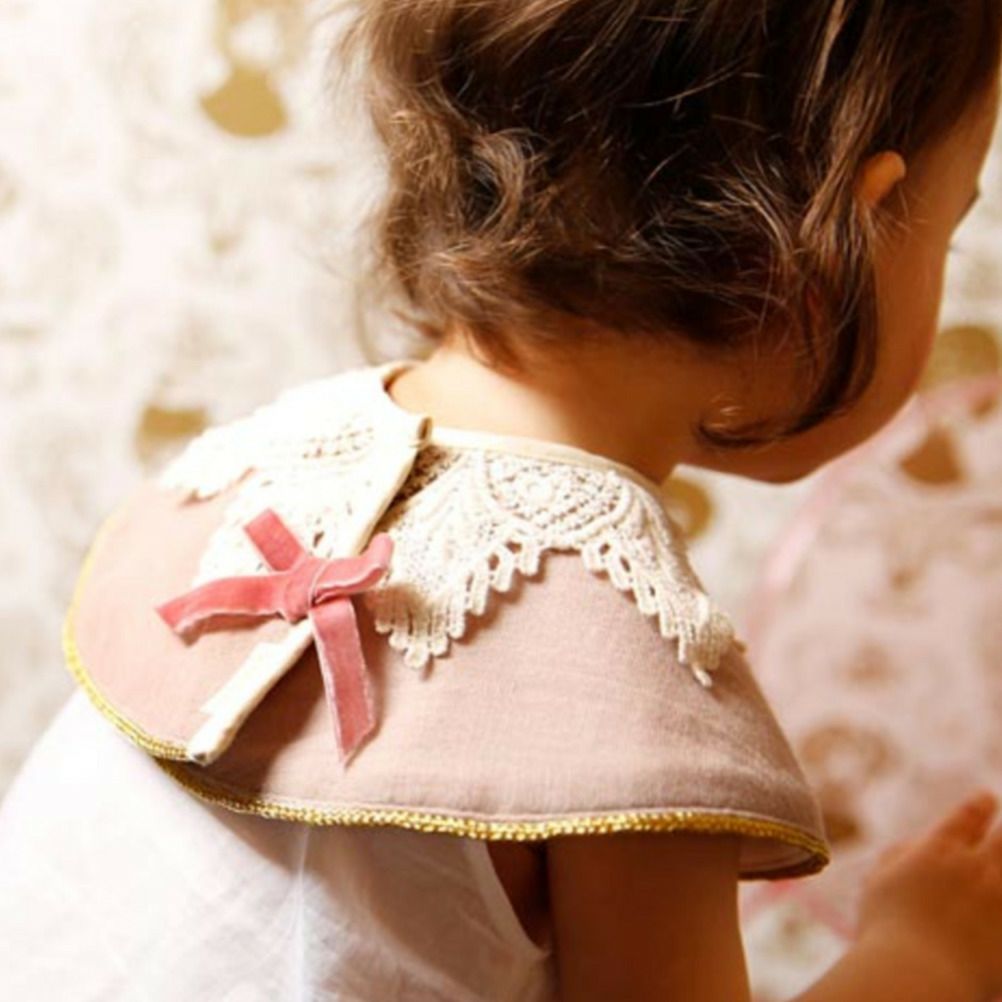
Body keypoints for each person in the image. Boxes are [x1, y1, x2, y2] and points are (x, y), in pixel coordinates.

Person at [2, 2, 1002, 1000]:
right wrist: (926, 956)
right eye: (948, 236)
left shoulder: (251, 466)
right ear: (832, 251)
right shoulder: (621, 691)